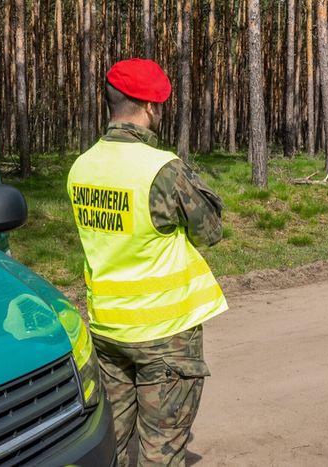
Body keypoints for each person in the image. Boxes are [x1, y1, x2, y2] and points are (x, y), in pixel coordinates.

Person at [68, 58, 227, 467]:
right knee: (162, 450)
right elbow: (210, 231)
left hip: (107, 329)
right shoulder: (162, 169)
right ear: (150, 107)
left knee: (113, 444)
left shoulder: (80, 168)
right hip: (165, 334)